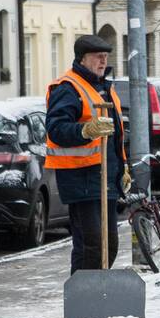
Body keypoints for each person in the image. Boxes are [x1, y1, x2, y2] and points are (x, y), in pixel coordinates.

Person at [46, 35, 130, 275]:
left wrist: (122, 169)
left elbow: (115, 139)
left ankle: (95, 296)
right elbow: (56, 129)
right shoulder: (68, 88)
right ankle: (82, 302)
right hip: (82, 178)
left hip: (105, 179)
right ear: (82, 59)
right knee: (91, 245)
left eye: (105, 57)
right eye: (98, 57)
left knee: (109, 245)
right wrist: (85, 130)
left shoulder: (104, 88)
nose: (103, 62)